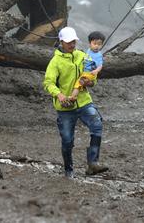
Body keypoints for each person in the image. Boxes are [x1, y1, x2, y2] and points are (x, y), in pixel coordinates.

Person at [43, 26, 109, 178]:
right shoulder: (55, 62)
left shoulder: (82, 56)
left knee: (97, 125)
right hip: (65, 107)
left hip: (84, 101)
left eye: (74, 41)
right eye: (69, 42)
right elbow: (48, 83)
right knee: (67, 140)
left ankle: (92, 163)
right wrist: (59, 95)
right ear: (61, 42)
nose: (72, 45)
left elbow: (93, 77)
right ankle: (68, 170)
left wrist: (90, 82)